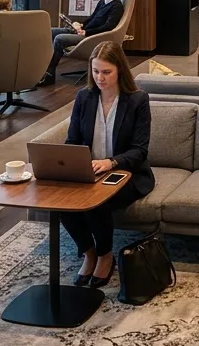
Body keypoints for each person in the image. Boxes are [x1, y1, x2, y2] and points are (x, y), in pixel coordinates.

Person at [61, 41, 153, 288]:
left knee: (94, 201)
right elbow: (72, 140)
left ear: (120, 70)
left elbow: (140, 151)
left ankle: (105, 255)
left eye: (106, 72)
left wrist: (111, 162)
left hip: (126, 172)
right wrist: (69, 163)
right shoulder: (84, 97)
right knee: (60, 201)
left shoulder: (137, 101)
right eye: (95, 71)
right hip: (89, 170)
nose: (99, 78)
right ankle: (88, 252)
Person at [38, 0, 124, 86]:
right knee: (51, 31)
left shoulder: (117, 7)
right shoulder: (103, 2)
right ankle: (44, 70)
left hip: (92, 37)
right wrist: (81, 25)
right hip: (85, 32)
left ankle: (50, 75)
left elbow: (108, 27)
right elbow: (92, 18)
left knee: (59, 39)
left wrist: (87, 32)